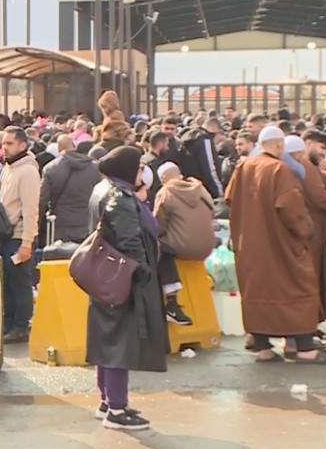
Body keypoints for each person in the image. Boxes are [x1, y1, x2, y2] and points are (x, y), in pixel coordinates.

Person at [225, 126, 326, 364]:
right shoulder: (280, 169)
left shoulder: (243, 167)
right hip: (280, 244)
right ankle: (304, 348)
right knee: (297, 287)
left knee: (257, 291)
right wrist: (306, 231)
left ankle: (263, 348)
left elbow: (229, 198)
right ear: (279, 145)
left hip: (250, 244)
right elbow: (291, 208)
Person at [87, 146, 167, 431]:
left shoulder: (103, 189)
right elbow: (129, 238)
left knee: (107, 338)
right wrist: (143, 270)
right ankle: (117, 409)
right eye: (138, 167)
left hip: (106, 275)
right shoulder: (119, 198)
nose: (141, 173)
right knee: (119, 342)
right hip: (122, 278)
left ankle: (108, 401)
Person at [153, 162, 217, 325]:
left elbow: (158, 226)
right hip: (207, 247)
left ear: (164, 178)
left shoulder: (166, 192)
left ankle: (171, 302)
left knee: (156, 245)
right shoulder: (201, 189)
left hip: (182, 248)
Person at [284, 135, 326, 322]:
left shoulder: (277, 166)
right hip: (309, 229)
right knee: (310, 274)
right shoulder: (304, 166)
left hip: (295, 229)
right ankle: (309, 320)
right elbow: (319, 196)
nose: (323, 152)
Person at [0, 126, 41, 343]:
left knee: (20, 285)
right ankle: (9, 323)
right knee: (7, 285)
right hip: (5, 235)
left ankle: (21, 326)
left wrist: (27, 242)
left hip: (19, 237)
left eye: (9, 143)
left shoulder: (28, 172)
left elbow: (30, 210)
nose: (4, 147)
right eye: (3, 143)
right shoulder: (8, 167)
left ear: (22, 145)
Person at [39, 134, 102, 243]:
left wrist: (38, 223)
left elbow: (42, 199)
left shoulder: (50, 168)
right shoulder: (94, 168)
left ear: (59, 148)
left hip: (60, 224)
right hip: (87, 223)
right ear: (74, 146)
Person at [179, 117, 225, 199]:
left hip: (188, 188)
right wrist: (219, 192)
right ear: (214, 129)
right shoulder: (205, 139)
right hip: (204, 190)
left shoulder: (186, 137)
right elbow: (209, 167)